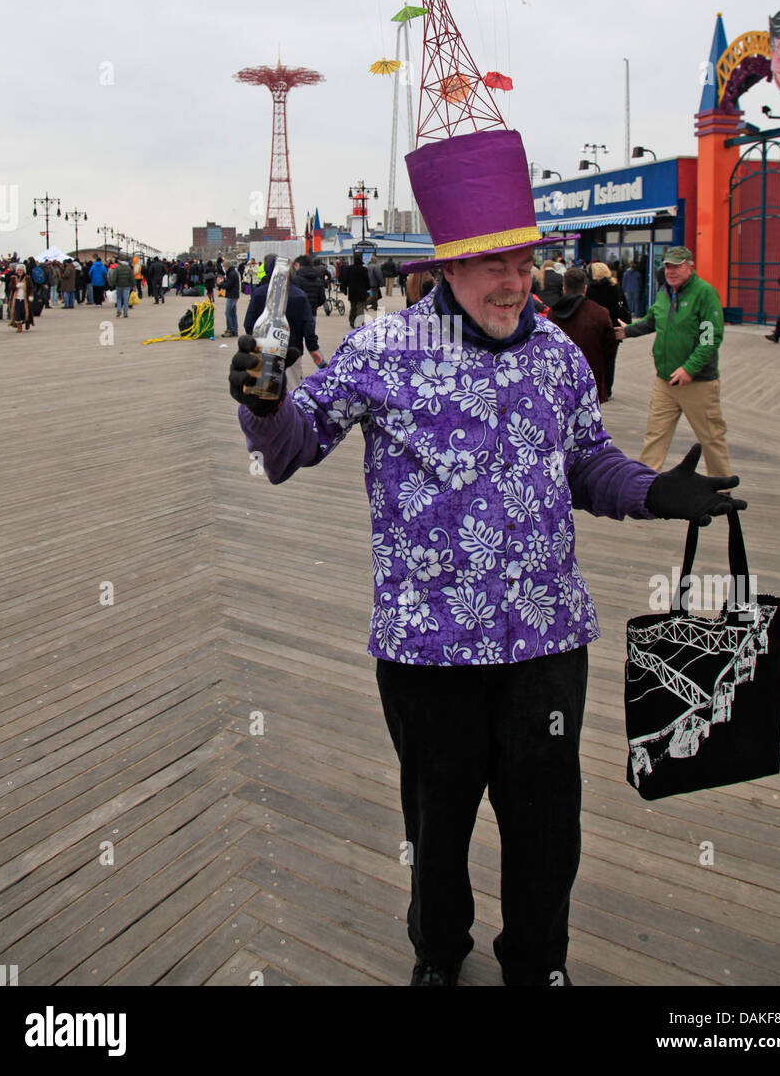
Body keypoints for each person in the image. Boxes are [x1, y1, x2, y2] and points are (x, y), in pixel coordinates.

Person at [229, 126, 745, 987]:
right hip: (427, 645)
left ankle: (538, 964)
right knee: (437, 821)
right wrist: (263, 404)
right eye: (495, 264)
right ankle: (439, 954)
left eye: (525, 261)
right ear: (448, 267)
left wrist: (652, 491)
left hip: (546, 641)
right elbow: (291, 447)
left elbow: (585, 460)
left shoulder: (557, 358)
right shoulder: (383, 350)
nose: (517, 281)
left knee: (547, 825)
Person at [616, 245, 732, 476]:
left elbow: (710, 338)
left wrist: (689, 369)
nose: (671, 271)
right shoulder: (664, 292)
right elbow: (652, 320)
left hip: (697, 382)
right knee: (655, 435)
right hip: (665, 380)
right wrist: (627, 331)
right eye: (668, 266)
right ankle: (644, 486)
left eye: (677, 267)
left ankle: (722, 485)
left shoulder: (704, 293)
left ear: (690, 267)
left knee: (711, 437)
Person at [243, 254, 324, 387]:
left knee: (265, 388)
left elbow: (248, 323)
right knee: (293, 387)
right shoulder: (299, 295)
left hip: (265, 349)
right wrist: (313, 347)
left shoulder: (259, 294)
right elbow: (308, 326)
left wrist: (256, 341)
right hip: (293, 349)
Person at [550, 267, 618, 402]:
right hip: (591, 377)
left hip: (561, 379)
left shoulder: (552, 314)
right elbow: (610, 347)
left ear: (564, 289)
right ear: (585, 289)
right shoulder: (600, 314)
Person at [587, 261, 629, 400]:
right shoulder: (615, 287)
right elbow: (622, 306)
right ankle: (608, 389)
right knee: (610, 360)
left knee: (594, 359)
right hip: (612, 327)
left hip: (593, 328)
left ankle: (596, 388)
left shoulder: (590, 289)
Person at [346, 253, 371, 327]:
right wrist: (368, 288)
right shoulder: (364, 269)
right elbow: (367, 280)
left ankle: (352, 321)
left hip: (352, 291)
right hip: (361, 291)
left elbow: (346, 279)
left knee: (353, 307)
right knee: (360, 307)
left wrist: (345, 287)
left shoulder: (349, 268)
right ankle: (360, 323)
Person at [9, 265, 35, 333]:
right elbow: (10, 287)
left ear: (23, 271)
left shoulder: (27, 278)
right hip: (16, 298)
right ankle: (19, 327)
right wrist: (16, 286)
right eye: (18, 270)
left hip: (25, 299)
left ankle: (27, 322)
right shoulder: (13, 278)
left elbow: (31, 287)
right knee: (17, 313)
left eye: (21, 270)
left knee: (25, 312)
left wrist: (31, 295)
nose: (19, 272)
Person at [222, 260, 240, 337]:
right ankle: (234, 330)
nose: (224, 268)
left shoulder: (231, 274)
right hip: (234, 295)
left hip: (231, 295)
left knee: (228, 313)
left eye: (224, 267)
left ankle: (230, 329)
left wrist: (221, 284)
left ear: (227, 267)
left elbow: (228, 285)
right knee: (233, 313)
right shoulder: (233, 273)